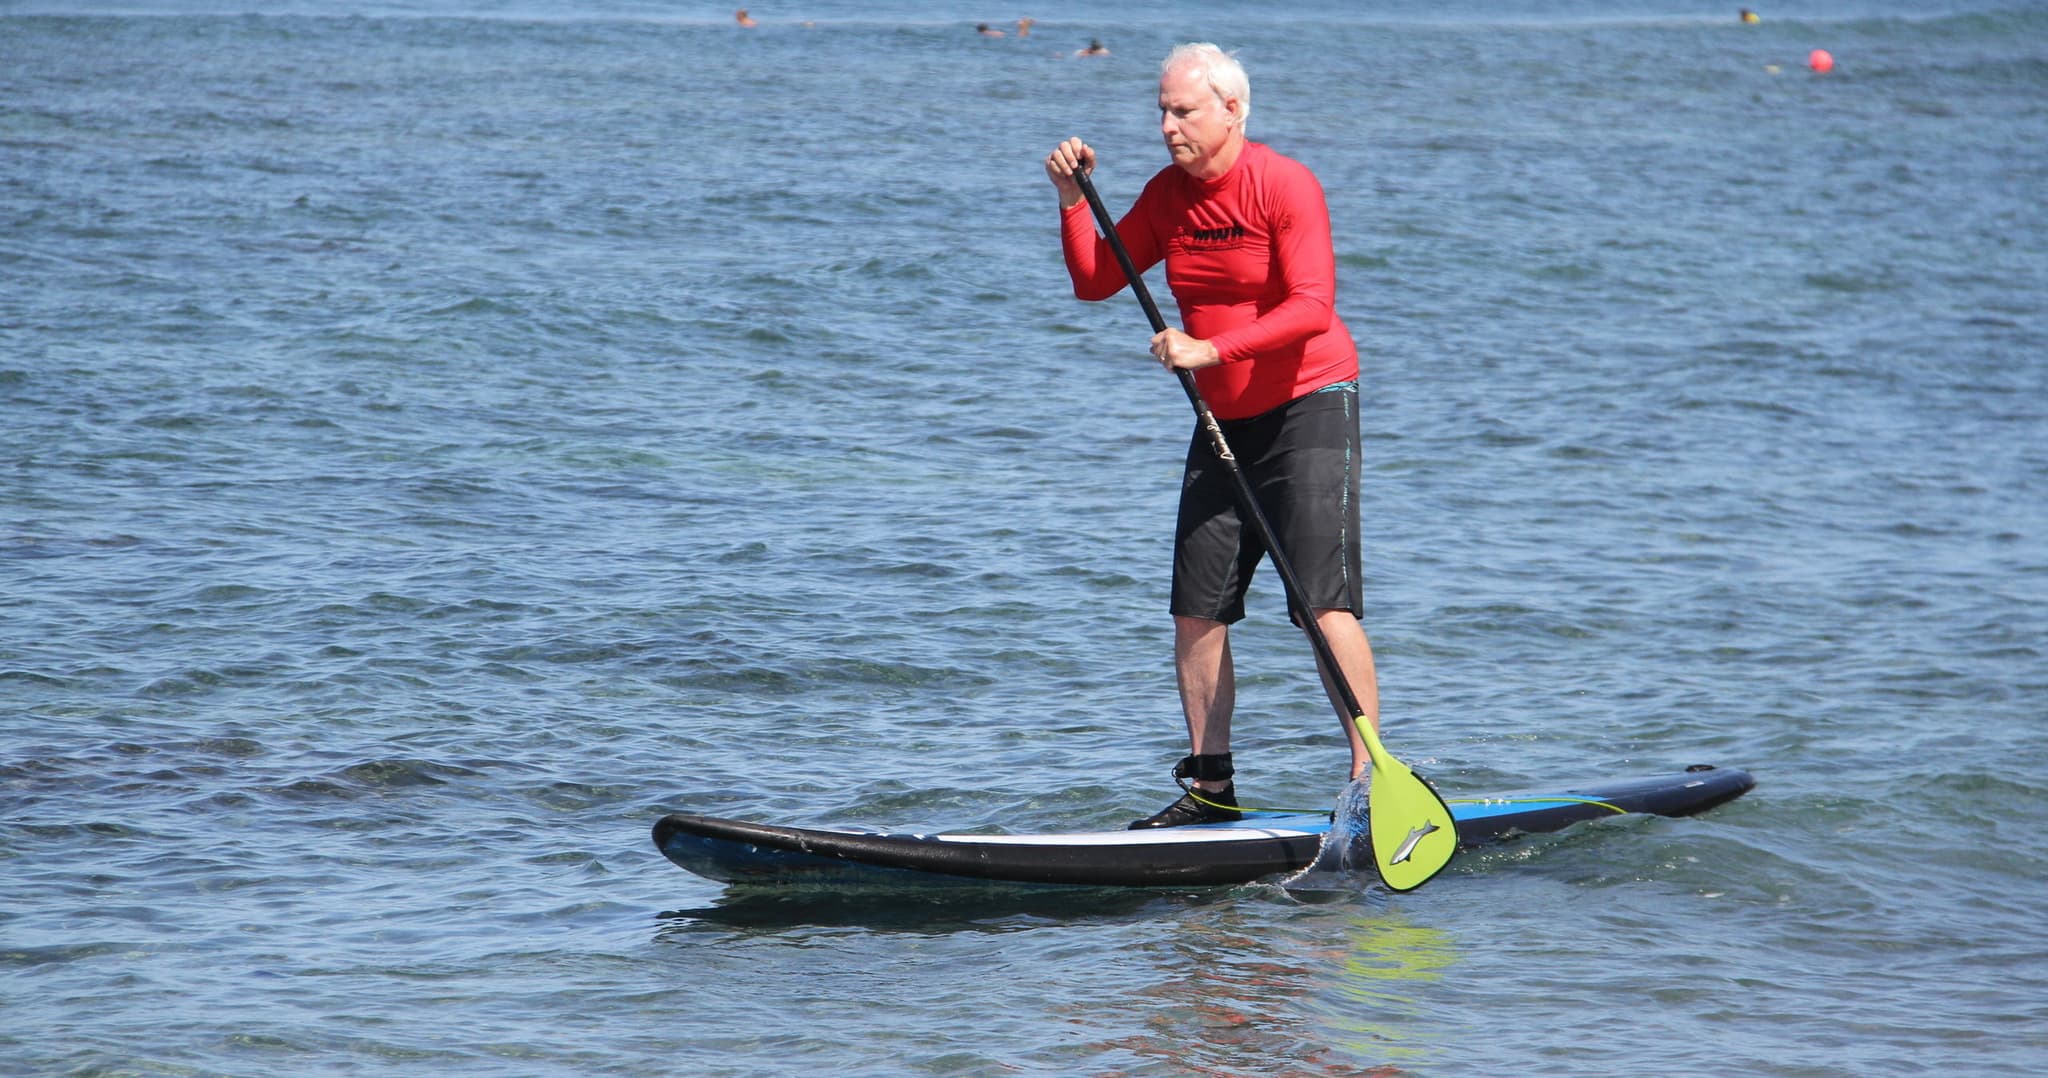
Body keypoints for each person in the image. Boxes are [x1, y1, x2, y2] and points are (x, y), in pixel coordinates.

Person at [1043, 43, 1379, 829]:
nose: (1167, 126)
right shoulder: (1166, 197)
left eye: (1183, 111)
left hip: (1308, 403)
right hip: (1221, 420)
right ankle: (1210, 789)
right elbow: (1099, 279)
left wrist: (1210, 348)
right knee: (1197, 607)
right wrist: (1068, 198)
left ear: (1233, 109)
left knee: (1319, 601)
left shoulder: (1284, 185)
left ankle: (1372, 776)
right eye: (1161, 111)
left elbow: (1312, 307)